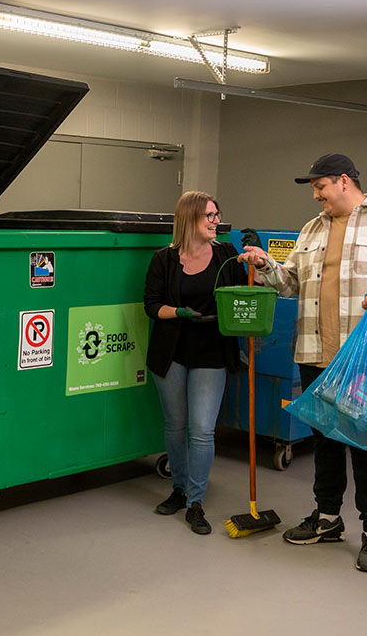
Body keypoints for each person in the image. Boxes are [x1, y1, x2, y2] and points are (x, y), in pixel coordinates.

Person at [238, 153, 367, 571]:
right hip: (315, 354)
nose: (316, 195)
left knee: (366, 445)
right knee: (324, 441)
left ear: (344, 181)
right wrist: (265, 264)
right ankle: (327, 518)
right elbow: (289, 283)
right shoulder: (310, 230)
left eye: (320, 187)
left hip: (364, 360)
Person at [144, 191, 247, 535]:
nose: (216, 221)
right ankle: (179, 488)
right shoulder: (164, 260)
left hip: (211, 351)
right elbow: (152, 305)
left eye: (217, 215)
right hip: (171, 351)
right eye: (209, 216)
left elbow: (248, 292)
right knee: (175, 425)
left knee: (201, 430)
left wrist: (256, 264)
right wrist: (179, 312)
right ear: (189, 219)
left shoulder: (227, 255)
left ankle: (196, 503)